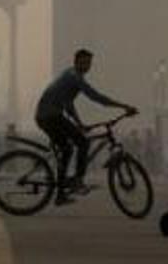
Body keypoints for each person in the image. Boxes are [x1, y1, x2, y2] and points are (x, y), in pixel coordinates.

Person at [34, 49, 137, 204]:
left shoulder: (70, 75)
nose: (87, 65)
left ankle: (61, 193)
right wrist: (124, 106)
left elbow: (68, 103)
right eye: (83, 62)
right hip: (50, 116)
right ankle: (77, 181)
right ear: (76, 62)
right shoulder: (75, 77)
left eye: (88, 63)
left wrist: (80, 123)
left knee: (67, 149)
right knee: (82, 142)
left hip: (48, 115)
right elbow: (96, 97)